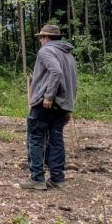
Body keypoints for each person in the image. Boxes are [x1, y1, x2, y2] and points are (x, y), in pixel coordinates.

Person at [21, 24, 78, 191]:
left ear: (47, 38)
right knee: (56, 139)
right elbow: (73, 83)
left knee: (36, 138)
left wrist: (48, 96)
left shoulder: (46, 51)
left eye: (41, 37)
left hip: (45, 103)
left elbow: (56, 72)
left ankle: (37, 179)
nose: (40, 40)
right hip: (62, 105)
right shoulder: (68, 55)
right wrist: (68, 108)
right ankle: (58, 179)